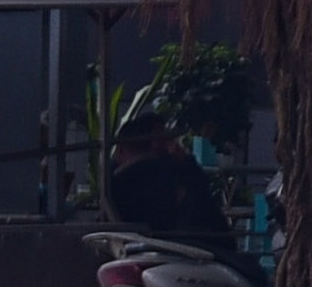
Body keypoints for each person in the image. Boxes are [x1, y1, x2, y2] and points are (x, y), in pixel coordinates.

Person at [100, 108, 240, 263]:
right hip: (190, 248)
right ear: (154, 142)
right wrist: (186, 162)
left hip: (162, 247)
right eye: (163, 137)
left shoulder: (113, 180)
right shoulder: (164, 174)